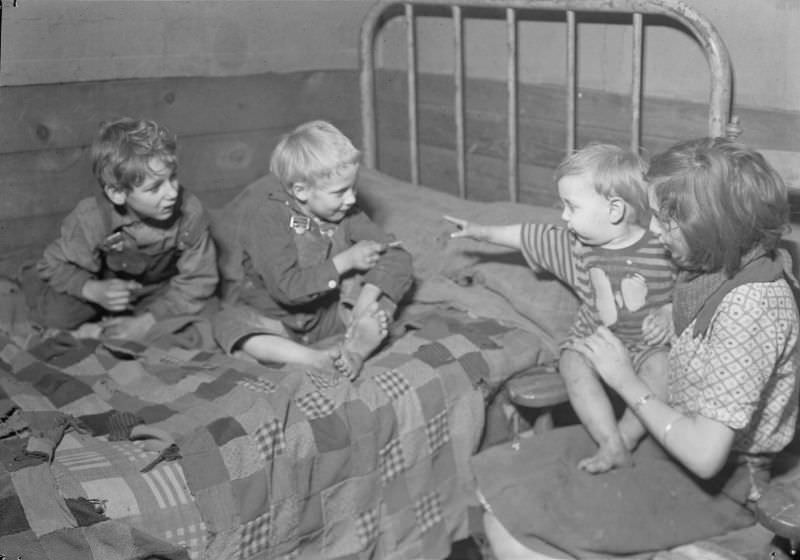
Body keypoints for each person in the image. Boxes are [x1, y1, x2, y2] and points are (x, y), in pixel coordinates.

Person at [470, 137, 800, 559]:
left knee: (515, 521)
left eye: (664, 219)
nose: (655, 229)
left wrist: (625, 380)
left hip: (728, 481)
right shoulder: (714, 266)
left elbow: (704, 457)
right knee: (503, 477)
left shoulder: (748, 309)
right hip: (666, 435)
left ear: (708, 225)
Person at [446, 143, 675, 473]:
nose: (564, 217)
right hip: (595, 339)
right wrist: (481, 232)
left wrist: (668, 311)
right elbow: (525, 235)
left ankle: (626, 438)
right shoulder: (574, 248)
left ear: (614, 210)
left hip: (649, 344)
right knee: (571, 363)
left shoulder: (663, 246)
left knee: (664, 371)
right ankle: (609, 442)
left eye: (571, 207)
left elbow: (691, 288)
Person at [213, 120, 414, 379]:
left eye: (353, 187)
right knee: (226, 323)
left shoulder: (347, 213)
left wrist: (366, 301)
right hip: (277, 320)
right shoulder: (268, 219)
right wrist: (345, 261)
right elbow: (287, 289)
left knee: (383, 293)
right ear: (301, 190)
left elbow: (396, 254)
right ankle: (314, 359)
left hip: (327, 317)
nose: (351, 199)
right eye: (340, 192)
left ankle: (355, 351)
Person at [22, 117, 219, 341]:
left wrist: (147, 321)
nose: (172, 193)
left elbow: (200, 279)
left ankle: (124, 325)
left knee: (208, 316)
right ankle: (90, 327)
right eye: (155, 187)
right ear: (117, 193)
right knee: (56, 313)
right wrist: (92, 290)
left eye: (172, 177)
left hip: (158, 290)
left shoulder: (189, 214)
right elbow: (52, 265)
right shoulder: (92, 218)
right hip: (101, 286)